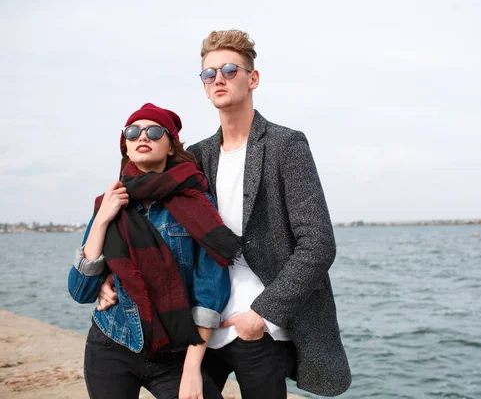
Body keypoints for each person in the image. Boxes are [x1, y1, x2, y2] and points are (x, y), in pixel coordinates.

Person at [189, 29, 351, 398]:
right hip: (205, 324)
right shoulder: (197, 156)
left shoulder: (285, 145)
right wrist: (108, 281)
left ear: (253, 78)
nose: (218, 79)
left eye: (229, 70)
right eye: (209, 73)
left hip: (259, 329)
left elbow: (318, 244)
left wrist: (262, 315)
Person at [68, 103, 240, 399]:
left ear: (171, 146)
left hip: (175, 350)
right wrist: (102, 219)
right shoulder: (110, 202)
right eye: (133, 132)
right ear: (126, 145)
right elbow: (81, 291)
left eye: (154, 131)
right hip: (113, 343)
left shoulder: (198, 205)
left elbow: (209, 293)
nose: (142, 137)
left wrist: (191, 370)